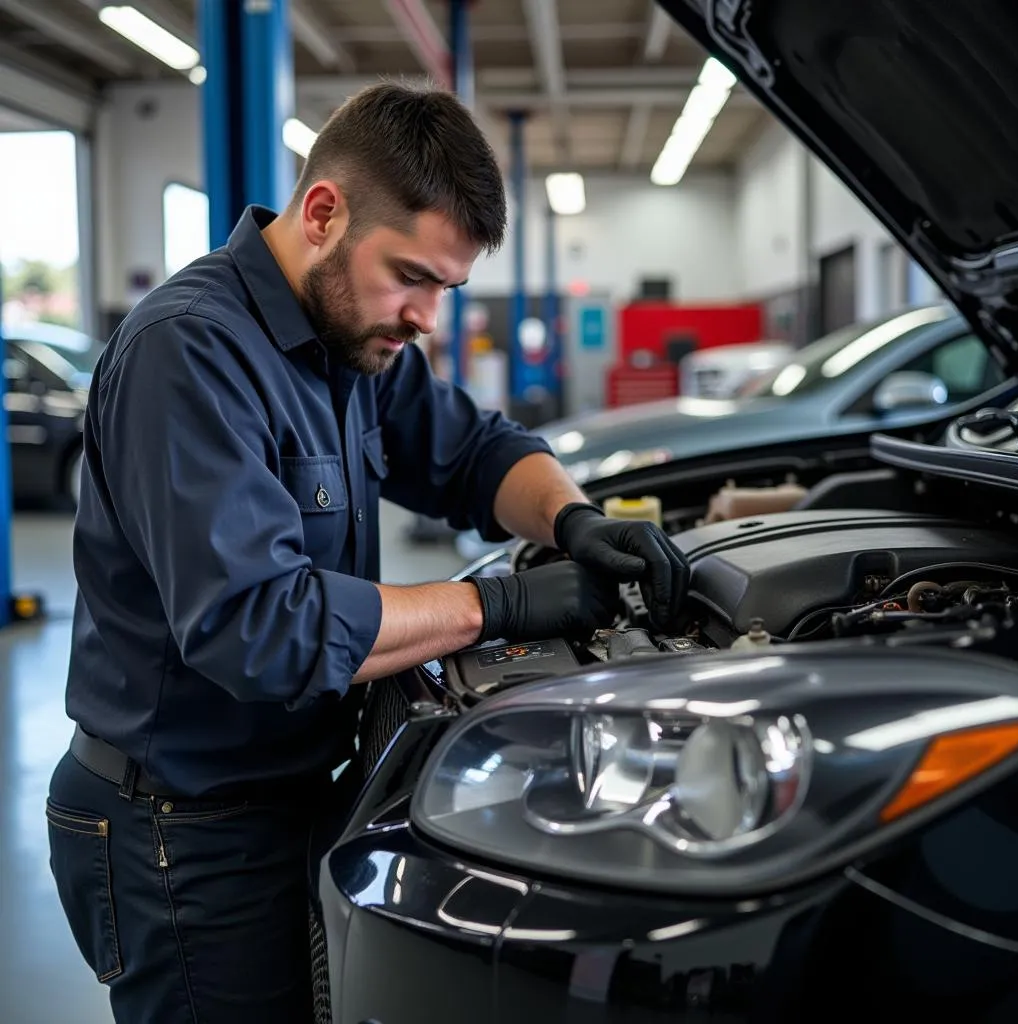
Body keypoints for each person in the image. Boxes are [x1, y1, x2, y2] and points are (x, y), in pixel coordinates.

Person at [45, 82, 689, 1024]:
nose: (428, 315)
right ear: (322, 213)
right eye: (412, 276)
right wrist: (499, 607)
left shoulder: (353, 340)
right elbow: (262, 630)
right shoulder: (189, 354)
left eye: (447, 288)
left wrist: (575, 521)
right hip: (178, 836)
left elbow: (475, 451)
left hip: (292, 800)